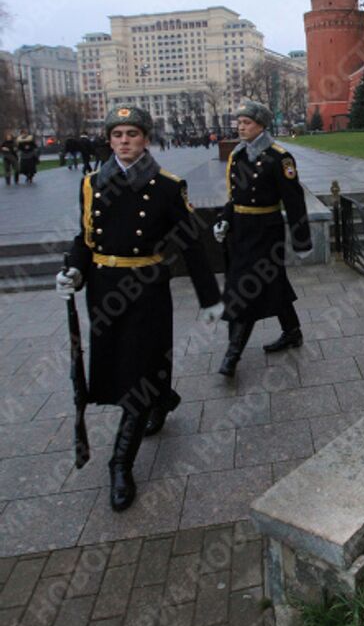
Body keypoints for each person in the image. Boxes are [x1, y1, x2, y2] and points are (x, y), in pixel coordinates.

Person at [55, 105, 223, 512]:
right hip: (103, 290)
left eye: (132, 133)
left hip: (146, 289)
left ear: (146, 138)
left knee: (136, 371)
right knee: (122, 367)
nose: (125, 140)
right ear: (109, 140)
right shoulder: (92, 183)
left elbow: (190, 242)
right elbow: (85, 238)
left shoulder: (166, 185)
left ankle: (120, 464)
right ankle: (162, 399)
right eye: (117, 134)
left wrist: (210, 298)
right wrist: (73, 271)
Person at [214, 100, 311, 376]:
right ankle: (292, 331)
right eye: (239, 122)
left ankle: (232, 355)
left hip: (266, 231)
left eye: (246, 123)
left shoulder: (279, 157)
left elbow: (294, 201)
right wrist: (223, 219)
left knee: (244, 289)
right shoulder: (238, 155)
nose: (240, 127)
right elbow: (234, 197)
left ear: (261, 126)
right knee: (273, 282)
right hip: (241, 230)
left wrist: (301, 239)